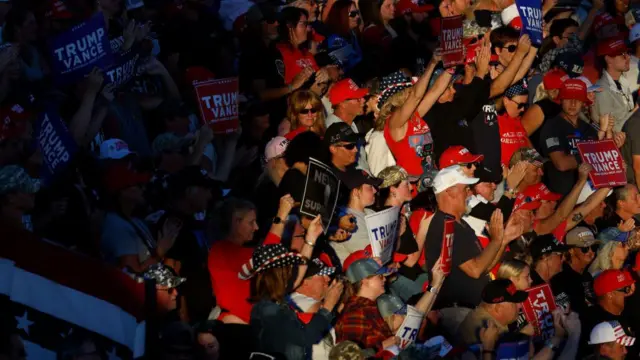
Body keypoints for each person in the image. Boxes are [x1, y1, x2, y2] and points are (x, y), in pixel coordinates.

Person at [425, 166, 521, 334]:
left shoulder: (459, 224)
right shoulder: (444, 226)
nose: (470, 194)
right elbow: (475, 270)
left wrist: (503, 240)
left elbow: (485, 267)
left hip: (468, 310)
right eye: (466, 189)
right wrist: (496, 240)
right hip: (457, 314)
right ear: (450, 191)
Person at [249, 217, 345, 360]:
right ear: (278, 275)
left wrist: (311, 238)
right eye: (287, 268)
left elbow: (299, 272)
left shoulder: (272, 302)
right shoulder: (268, 310)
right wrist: (328, 306)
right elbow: (306, 336)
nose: (291, 272)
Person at [539, 79, 601, 196]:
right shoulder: (552, 126)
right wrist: (590, 157)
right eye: (568, 99)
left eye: (577, 99)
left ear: (583, 102)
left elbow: (599, 162)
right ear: (561, 100)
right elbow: (562, 164)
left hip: (587, 189)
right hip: (560, 194)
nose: (573, 103)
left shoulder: (590, 130)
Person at [335, 258, 398, 352]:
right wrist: (384, 345)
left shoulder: (370, 306)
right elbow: (350, 355)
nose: (384, 279)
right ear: (364, 281)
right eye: (380, 276)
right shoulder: (355, 312)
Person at [580, 269, 637, 358]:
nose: (628, 293)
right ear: (610, 294)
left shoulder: (624, 312)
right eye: (625, 289)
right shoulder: (595, 322)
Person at [329, 167, 381, 263]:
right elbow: (370, 256)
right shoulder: (347, 220)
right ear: (356, 192)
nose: (375, 190)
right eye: (370, 187)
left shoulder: (369, 212)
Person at [550, 227, 599, 315]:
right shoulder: (560, 279)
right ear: (571, 250)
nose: (591, 252)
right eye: (585, 248)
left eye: (594, 247)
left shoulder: (586, 275)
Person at [592, 37, 635, 132]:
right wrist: (636, 109)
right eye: (623, 54)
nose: (628, 57)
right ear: (608, 59)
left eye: (628, 53)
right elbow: (611, 129)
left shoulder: (622, 82)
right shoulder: (601, 90)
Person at [325, 79, 370, 171]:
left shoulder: (351, 122)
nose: (363, 100)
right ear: (342, 104)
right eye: (358, 98)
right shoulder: (332, 128)